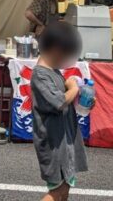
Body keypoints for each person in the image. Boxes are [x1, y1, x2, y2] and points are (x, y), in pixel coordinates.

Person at [30, 22, 90, 201]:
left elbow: (67, 100)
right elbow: (59, 102)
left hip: (65, 141)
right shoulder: (40, 75)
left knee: (64, 189)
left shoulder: (54, 72)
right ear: (56, 49)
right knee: (57, 191)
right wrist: (74, 88)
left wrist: (84, 100)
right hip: (54, 143)